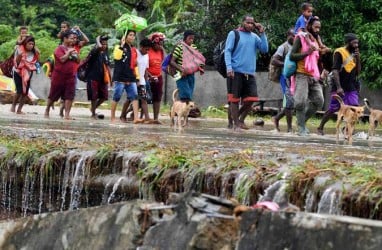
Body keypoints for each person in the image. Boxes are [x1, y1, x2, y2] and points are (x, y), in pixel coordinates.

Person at [224, 15, 268, 130]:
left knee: (251, 99)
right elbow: (227, 51)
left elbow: (264, 49)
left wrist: (262, 33)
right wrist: (229, 68)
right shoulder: (234, 34)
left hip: (250, 73)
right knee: (234, 100)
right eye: (248, 22)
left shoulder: (254, 37)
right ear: (243, 22)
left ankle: (238, 120)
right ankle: (235, 124)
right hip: (235, 71)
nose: (250, 25)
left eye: (252, 23)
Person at [317, 33, 361, 135]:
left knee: (355, 108)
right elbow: (335, 70)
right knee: (334, 108)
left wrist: (358, 58)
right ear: (348, 42)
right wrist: (338, 87)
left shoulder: (355, 54)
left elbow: (358, 71)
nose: (356, 45)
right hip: (339, 86)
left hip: (351, 86)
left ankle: (347, 130)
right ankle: (320, 127)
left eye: (357, 43)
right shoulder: (339, 52)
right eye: (354, 43)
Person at [290, 16, 324, 136]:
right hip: (301, 74)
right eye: (315, 27)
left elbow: (317, 59)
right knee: (300, 102)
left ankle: (301, 122)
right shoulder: (300, 38)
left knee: (319, 101)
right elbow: (292, 56)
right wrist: (307, 52)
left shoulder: (316, 40)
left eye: (319, 28)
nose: (317, 30)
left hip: (313, 75)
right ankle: (301, 128)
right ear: (309, 26)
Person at [45, 30, 80, 120]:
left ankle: (67, 114)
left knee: (69, 95)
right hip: (59, 76)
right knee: (53, 94)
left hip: (71, 75)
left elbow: (78, 61)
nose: (73, 40)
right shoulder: (59, 49)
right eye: (71, 38)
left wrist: (76, 55)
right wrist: (68, 53)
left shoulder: (74, 49)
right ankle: (47, 110)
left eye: (74, 39)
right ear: (65, 39)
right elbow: (62, 59)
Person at [110, 30, 143, 124]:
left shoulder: (133, 49)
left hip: (131, 76)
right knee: (117, 96)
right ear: (125, 36)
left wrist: (137, 77)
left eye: (133, 35)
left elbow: (135, 64)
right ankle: (112, 117)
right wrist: (121, 45)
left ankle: (136, 118)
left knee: (134, 97)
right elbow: (117, 57)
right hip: (120, 77)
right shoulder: (118, 47)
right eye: (130, 35)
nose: (132, 37)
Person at [271, 28, 295, 133]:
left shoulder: (298, 47)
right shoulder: (283, 47)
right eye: (292, 36)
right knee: (289, 100)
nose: (294, 38)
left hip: (295, 77)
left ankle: (276, 118)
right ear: (288, 36)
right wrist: (286, 65)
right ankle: (289, 128)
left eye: (296, 36)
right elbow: (274, 60)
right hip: (284, 77)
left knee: (292, 102)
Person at [170, 30, 205, 102]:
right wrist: (181, 69)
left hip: (191, 75)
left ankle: (183, 111)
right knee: (185, 95)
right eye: (190, 38)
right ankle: (183, 111)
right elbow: (172, 62)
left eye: (193, 38)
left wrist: (200, 67)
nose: (191, 40)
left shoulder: (193, 47)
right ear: (185, 38)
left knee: (189, 93)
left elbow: (196, 59)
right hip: (180, 75)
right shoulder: (179, 47)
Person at [11, 36, 40, 114]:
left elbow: (35, 62)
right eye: (29, 44)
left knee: (25, 92)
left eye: (32, 44)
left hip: (28, 72)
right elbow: (16, 63)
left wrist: (38, 53)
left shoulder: (34, 52)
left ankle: (19, 109)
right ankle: (13, 106)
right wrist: (19, 57)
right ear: (25, 43)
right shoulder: (19, 49)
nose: (31, 46)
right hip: (17, 71)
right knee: (19, 90)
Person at [86, 35, 111, 119]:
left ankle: (93, 109)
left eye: (105, 44)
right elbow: (99, 47)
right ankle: (93, 114)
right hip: (93, 77)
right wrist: (97, 39)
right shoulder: (95, 51)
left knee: (104, 96)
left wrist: (111, 79)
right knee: (94, 97)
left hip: (102, 78)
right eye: (102, 44)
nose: (104, 46)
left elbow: (107, 66)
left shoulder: (105, 53)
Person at [146, 32, 166, 124]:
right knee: (143, 97)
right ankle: (132, 113)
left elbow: (165, 61)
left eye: (162, 44)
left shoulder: (161, 51)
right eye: (159, 44)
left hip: (158, 77)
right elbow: (143, 66)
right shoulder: (148, 51)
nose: (160, 46)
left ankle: (155, 118)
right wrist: (150, 76)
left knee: (157, 98)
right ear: (154, 43)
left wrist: (163, 49)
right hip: (148, 77)